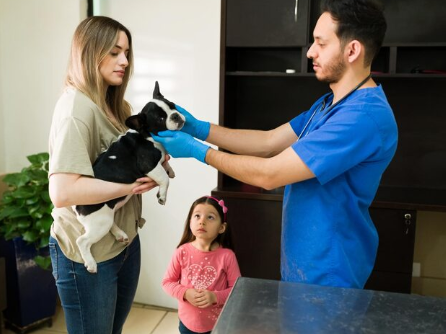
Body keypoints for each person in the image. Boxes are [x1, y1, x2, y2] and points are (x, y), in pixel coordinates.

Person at [153, 0, 398, 289]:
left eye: (320, 43)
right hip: (304, 264)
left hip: (330, 274)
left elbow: (270, 174)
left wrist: (198, 151)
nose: (310, 52)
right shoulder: (329, 104)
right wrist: (200, 128)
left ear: (352, 50)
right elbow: (268, 142)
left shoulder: (362, 117)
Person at [47, 16, 158, 334]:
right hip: (88, 256)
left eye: (126, 52)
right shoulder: (75, 111)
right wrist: (130, 183)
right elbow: (63, 192)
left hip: (123, 242)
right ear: (88, 52)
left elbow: (118, 166)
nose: (124, 60)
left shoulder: (117, 105)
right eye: (114, 52)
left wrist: (145, 174)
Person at [162, 196, 241, 334]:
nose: (202, 221)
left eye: (210, 217)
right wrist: (185, 293)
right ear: (190, 222)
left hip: (218, 324)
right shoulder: (182, 252)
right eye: (197, 216)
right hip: (187, 323)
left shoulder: (227, 256)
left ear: (222, 227)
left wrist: (215, 297)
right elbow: (167, 283)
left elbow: (238, 291)